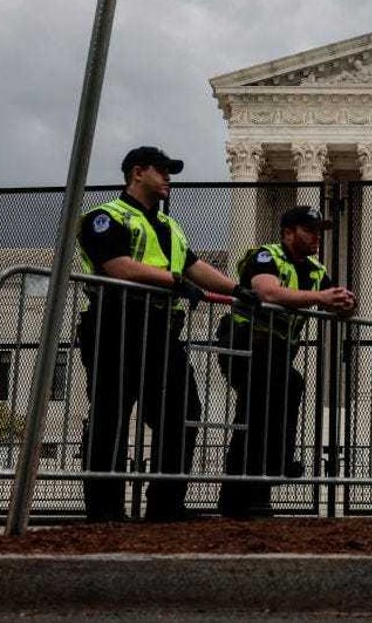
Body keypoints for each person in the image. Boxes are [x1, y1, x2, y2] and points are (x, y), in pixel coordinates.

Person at [76, 146, 258, 523]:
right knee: (111, 414)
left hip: (160, 331)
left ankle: (166, 503)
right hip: (117, 323)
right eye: (162, 171)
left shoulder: (169, 226)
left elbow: (194, 266)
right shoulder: (105, 217)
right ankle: (104, 509)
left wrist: (236, 291)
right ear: (137, 173)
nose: (168, 178)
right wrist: (172, 281)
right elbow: (117, 267)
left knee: (183, 411)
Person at [216, 205, 357, 517]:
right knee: (279, 391)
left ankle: (242, 497)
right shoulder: (267, 256)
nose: (316, 237)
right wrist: (321, 299)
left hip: (277, 351)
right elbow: (267, 293)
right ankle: (275, 466)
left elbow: (337, 303)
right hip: (245, 342)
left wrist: (346, 304)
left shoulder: (314, 270)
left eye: (319, 231)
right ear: (288, 233)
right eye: (309, 230)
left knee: (256, 416)